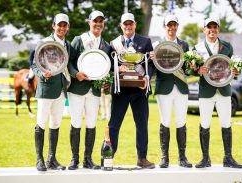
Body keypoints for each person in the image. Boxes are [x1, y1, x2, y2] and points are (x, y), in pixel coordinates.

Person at [192, 17, 242, 169]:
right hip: (206, 90)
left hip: (224, 90)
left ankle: (228, 158)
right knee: (205, 124)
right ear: (204, 29)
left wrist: (236, 70)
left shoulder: (227, 47)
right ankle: (205, 158)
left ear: (218, 30)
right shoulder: (197, 48)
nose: (212, 30)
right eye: (209, 27)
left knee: (226, 123)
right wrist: (196, 70)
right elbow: (191, 69)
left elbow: (234, 67)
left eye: (215, 27)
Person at [109, 12, 155, 169]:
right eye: (125, 24)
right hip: (121, 90)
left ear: (135, 24)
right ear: (121, 26)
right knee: (114, 125)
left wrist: (148, 77)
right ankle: (109, 157)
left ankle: (142, 158)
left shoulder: (146, 41)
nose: (128, 26)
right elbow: (109, 64)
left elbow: (151, 63)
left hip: (139, 90)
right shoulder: (114, 44)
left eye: (130, 23)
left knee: (142, 125)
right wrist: (117, 69)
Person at [67, 10, 111, 170]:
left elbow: (107, 68)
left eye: (101, 21)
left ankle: (88, 159)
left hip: (94, 91)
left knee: (92, 124)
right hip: (77, 88)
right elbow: (69, 62)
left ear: (103, 24)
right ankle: (74, 159)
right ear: (89, 22)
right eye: (95, 21)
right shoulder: (79, 40)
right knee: (76, 123)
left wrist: (107, 82)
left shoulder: (106, 45)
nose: (98, 24)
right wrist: (75, 73)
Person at [32, 13, 77, 171]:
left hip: (60, 88)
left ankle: (51, 159)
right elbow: (34, 64)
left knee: (56, 123)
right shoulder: (44, 42)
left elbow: (67, 65)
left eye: (65, 25)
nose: (62, 28)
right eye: (59, 25)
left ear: (68, 27)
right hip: (46, 88)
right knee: (41, 123)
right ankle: (39, 159)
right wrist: (41, 73)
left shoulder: (68, 45)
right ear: (53, 26)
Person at [150, 14, 192, 168]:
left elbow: (187, 70)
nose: (172, 28)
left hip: (181, 87)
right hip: (164, 87)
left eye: (174, 25)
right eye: (169, 25)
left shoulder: (184, 45)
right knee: (165, 121)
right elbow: (153, 69)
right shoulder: (157, 45)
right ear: (165, 27)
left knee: (181, 121)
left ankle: (182, 158)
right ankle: (164, 158)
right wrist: (151, 58)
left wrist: (192, 66)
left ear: (177, 26)